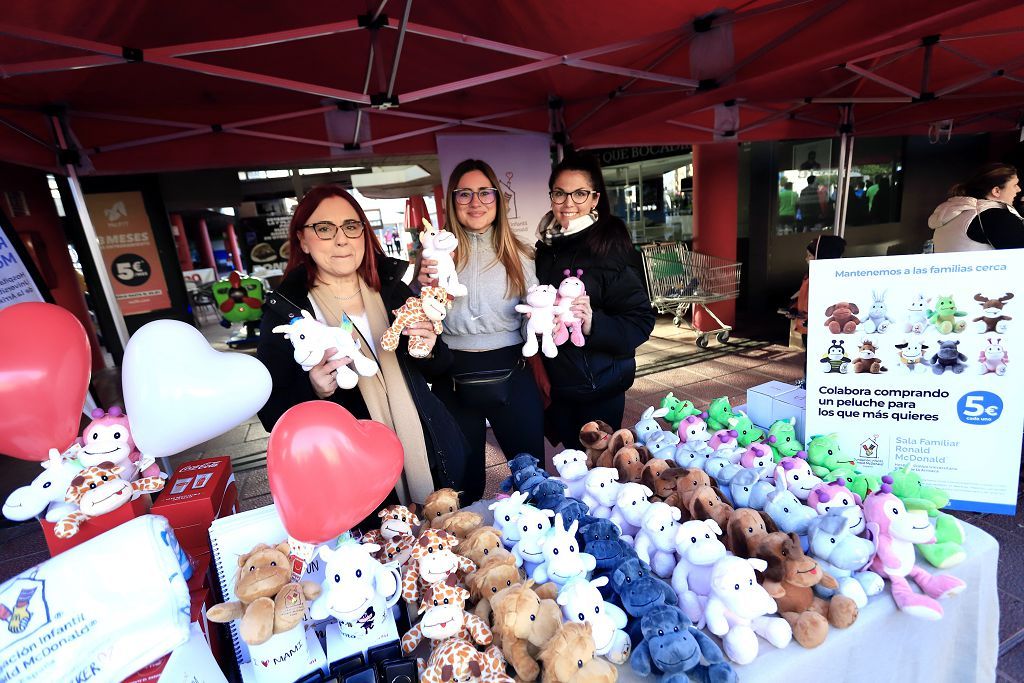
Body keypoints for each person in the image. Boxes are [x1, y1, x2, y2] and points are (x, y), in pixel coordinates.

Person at [256, 185, 468, 510]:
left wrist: (428, 348)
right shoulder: (286, 311)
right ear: (302, 239)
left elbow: (440, 368)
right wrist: (313, 389)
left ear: (364, 234)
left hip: (428, 454)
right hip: (350, 477)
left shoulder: (393, 290)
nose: (341, 239)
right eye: (324, 229)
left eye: (351, 226)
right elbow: (272, 412)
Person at [416, 159, 544, 503]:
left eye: (485, 193)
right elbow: (421, 317)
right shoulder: (434, 255)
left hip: (512, 371)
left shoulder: (522, 253)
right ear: (451, 201)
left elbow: (536, 315)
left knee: (531, 479)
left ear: (498, 200)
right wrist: (422, 286)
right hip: (452, 374)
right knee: (459, 484)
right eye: (465, 194)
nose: (476, 202)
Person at [535, 154, 655, 450]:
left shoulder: (609, 247)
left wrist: (593, 323)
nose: (568, 203)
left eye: (579, 194)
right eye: (560, 193)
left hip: (599, 387)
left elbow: (640, 319)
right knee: (573, 464)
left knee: (603, 468)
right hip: (560, 386)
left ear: (594, 199)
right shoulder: (546, 247)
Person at [928, 163, 1024, 251]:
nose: (1018, 189)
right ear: (996, 191)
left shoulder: (953, 213)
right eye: (1014, 185)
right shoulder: (996, 217)